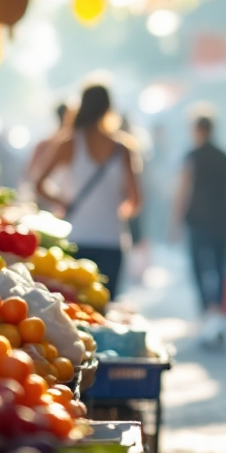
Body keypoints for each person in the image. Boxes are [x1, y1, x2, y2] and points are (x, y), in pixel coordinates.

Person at [34, 84, 142, 297]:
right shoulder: (123, 149)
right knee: (104, 303)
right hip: (112, 239)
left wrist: (63, 202)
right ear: (108, 109)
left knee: (74, 306)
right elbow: (135, 201)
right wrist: (112, 211)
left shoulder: (69, 143)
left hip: (76, 238)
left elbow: (38, 184)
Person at [173, 112, 226, 347]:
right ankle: (216, 311)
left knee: (199, 268)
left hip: (197, 220)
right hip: (221, 219)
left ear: (197, 130)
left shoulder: (192, 156)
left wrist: (175, 221)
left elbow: (183, 190)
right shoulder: (224, 157)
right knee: (219, 267)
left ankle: (206, 313)